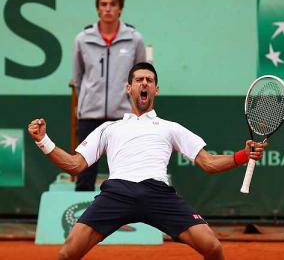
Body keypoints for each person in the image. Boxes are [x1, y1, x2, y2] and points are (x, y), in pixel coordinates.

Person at [28, 62, 267, 260]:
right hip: (116, 194)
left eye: (149, 80)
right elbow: (74, 165)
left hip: (158, 194)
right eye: (139, 79)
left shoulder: (170, 128)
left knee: (213, 248)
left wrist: (244, 155)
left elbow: (209, 163)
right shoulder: (108, 129)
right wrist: (43, 141)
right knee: (67, 253)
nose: (144, 83)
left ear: (156, 89)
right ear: (128, 88)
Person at [72, 0, 147, 191]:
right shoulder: (82, 39)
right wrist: (88, 101)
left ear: (120, 8)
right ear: (97, 8)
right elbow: (78, 79)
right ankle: (83, 220)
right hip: (89, 116)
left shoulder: (134, 39)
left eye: (112, 4)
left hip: (123, 116)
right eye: (103, 4)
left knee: (127, 174)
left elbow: (142, 78)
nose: (107, 9)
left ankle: (129, 219)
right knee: (85, 173)